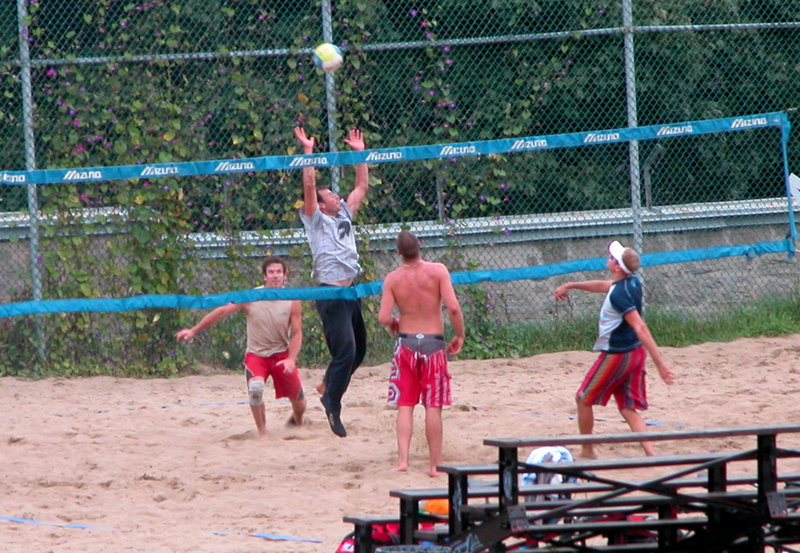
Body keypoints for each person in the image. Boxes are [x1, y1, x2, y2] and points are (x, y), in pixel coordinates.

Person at [553, 240, 675, 457]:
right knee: (628, 408)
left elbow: (640, 327)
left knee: (583, 398)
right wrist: (571, 285)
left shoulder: (619, 294)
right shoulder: (631, 282)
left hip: (619, 355)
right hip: (636, 353)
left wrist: (661, 364)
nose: (608, 258)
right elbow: (604, 286)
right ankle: (651, 454)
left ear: (617, 267)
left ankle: (588, 451)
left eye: (612, 257)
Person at [176, 256, 306, 437]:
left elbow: (297, 333)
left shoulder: (292, 300)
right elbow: (222, 311)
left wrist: (291, 359)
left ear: (285, 276)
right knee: (256, 389)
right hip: (257, 355)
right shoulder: (250, 296)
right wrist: (194, 330)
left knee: (300, 404)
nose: (275, 276)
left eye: (279, 272)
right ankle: (262, 433)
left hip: (281, 354)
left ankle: (298, 420)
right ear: (264, 276)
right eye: (271, 272)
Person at [294, 126, 369, 438]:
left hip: (350, 291)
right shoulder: (315, 219)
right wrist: (308, 152)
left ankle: (327, 383)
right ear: (322, 205)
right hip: (329, 292)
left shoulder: (344, 215)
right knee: (346, 352)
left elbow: (362, 185)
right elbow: (310, 185)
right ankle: (331, 402)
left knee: (360, 351)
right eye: (330, 195)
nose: (336, 197)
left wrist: (359, 152)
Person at [378, 231, 465, 477]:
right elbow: (454, 308)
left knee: (405, 404)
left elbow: (383, 317)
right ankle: (434, 465)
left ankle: (403, 460)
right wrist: (459, 335)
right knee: (433, 406)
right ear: (420, 245)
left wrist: (395, 321)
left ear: (398, 253)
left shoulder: (393, 279)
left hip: (406, 344)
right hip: (433, 344)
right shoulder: (438, 271)